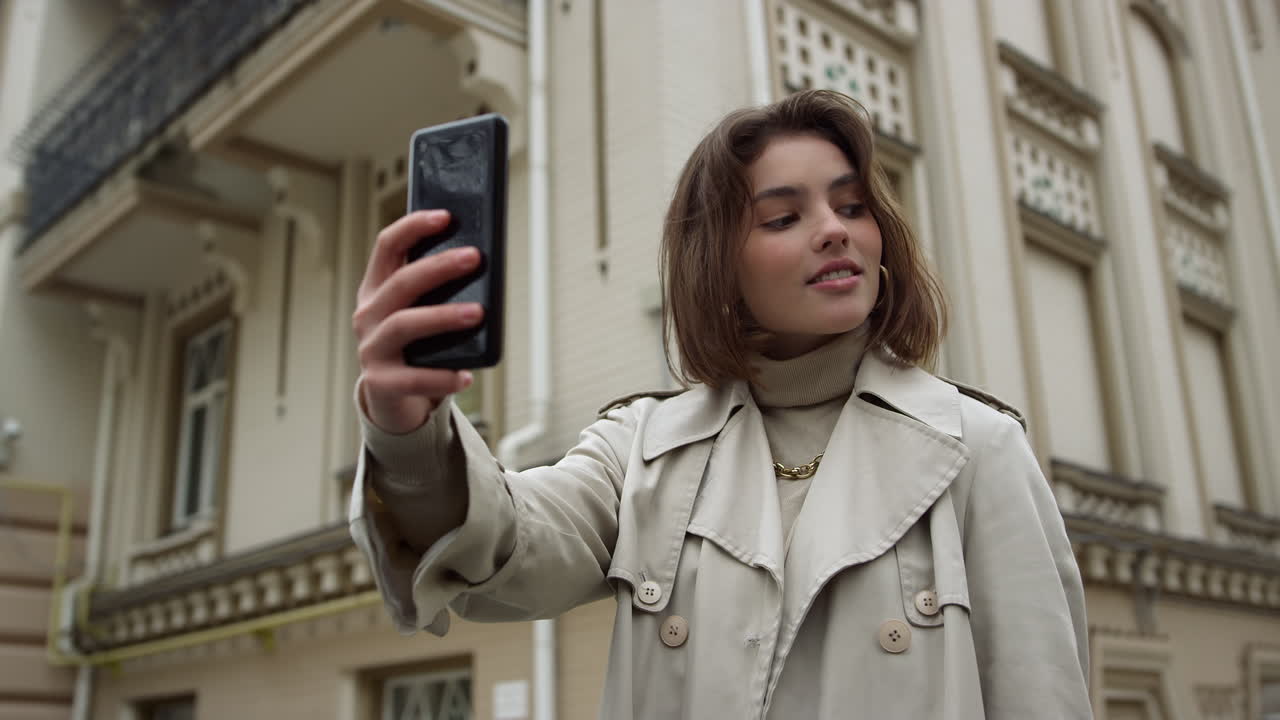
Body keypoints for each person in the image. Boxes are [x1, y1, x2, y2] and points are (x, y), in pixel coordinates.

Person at [349, 89, 1092, 719]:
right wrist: (406, 430)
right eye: (782, 217)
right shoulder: (641, 448)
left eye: (851, 205)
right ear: (719, 264)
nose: (834, 230)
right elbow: (502, 547)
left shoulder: (978, 446)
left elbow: (1043, 694)